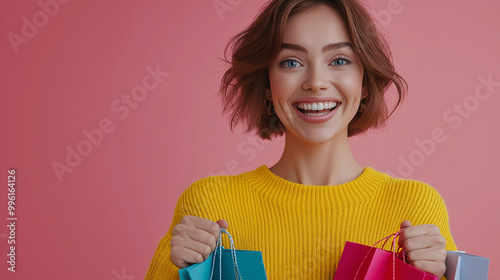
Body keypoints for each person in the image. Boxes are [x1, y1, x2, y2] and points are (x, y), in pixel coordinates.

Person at [145, 0, 457, 279]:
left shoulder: (416, 207)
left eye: (339, 60)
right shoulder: (208, 206)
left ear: (364, 83)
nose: (316, 83)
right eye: (291, 62)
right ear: (268, 85)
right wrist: (174, 270)